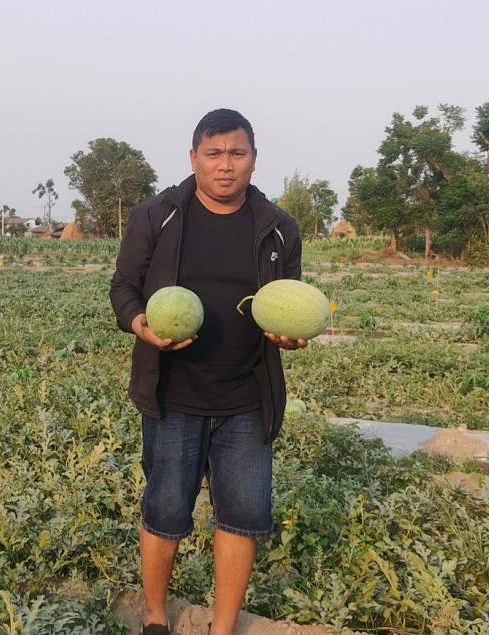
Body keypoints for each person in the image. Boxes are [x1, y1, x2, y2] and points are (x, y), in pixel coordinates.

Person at [109, 108, 307, 635]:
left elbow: (287, 303)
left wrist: (292, 337)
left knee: (241, 518)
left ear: (254, 159)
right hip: (173, 394)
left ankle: (222, 628)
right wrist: (140, 324)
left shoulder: (279, 228)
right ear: (193, 157)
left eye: (237, 154)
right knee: (166, 511)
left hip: (247, 399)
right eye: (214, 154)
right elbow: (123, 289)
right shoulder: (157, 216)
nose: (226, 165)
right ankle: (154, 616)